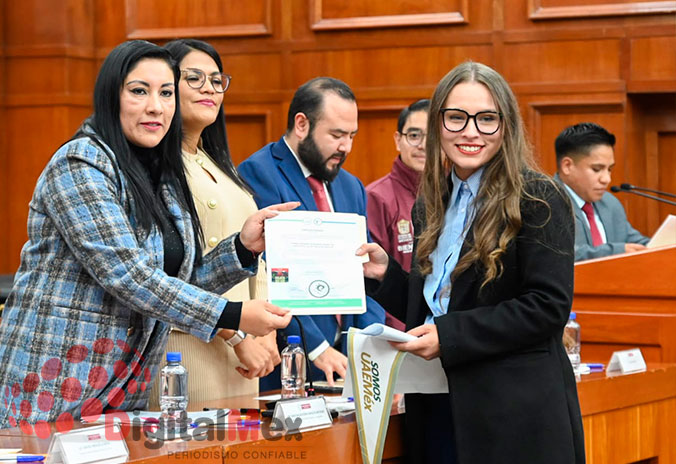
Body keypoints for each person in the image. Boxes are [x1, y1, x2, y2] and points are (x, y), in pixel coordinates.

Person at [0, 40, 293, 432]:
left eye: (165, 93)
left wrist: (241, 249)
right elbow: (128, 276)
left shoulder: (160, 177)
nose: (155, 107)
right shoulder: (81, 162)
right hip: (53, 386)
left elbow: (178, 284)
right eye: (139, 91)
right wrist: (233, 315)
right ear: (112, 97)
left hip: (124, 395)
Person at [357, 62, 584, 464]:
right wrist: (385, 275)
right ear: (438, 123)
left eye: (486, 119)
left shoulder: (538, 198)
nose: (470, 132)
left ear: (506, 125)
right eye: (457, 117)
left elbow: (547, 307)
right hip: (437, 404)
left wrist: (450, 335)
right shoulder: (432, 202)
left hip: (512, 416)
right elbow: (439, 303)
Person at [149, 38, 279, 403]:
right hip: (189, 343)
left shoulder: (217, 164)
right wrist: (237, 336)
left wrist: (265, 334)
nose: (209, 87)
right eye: (194, 78)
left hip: (247, 347)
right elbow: (171, 276)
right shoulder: (156, 168)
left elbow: (256, 258)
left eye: (217, 80)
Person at [238, 77, 385, 389]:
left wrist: (370, 346)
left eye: (351, 136)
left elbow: (361, 275)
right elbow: (271, 278)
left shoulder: (351, 186)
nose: (345, 146)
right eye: (336, 134)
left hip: (345, 364)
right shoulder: (258, 173)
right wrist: (319, 348)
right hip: (290, 362)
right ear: (301, 125)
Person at [366, 98, 430, 329]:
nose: (422, 145)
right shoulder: (376, 197)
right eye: (414, 135)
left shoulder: (455, 195)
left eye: (431, 136)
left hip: (441, 334)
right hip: (395, 336)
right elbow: (371, 280)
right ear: (397, 140)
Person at [554, 122, 649, 261]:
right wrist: (616, 251)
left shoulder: (610, 203)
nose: (607, 179)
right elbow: (562, 255)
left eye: (609, 169)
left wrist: (662, 245)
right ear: (567, 166)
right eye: (597, 169)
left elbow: (633, 242)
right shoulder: (547, 203)